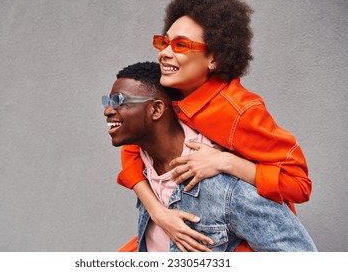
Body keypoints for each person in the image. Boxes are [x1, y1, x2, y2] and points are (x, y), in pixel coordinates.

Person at [117, 0, 312, 252]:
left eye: (181, 45)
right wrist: (158, 213)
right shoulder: (167, 92)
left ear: (214, 58)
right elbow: (132, 151)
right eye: (163, 42)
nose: (164, 53)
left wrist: (226, 162)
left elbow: (299, 184)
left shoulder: (240, 111)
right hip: (167, 229)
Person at [103, 61, 317, 252]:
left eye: (119, 100)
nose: (107, 111)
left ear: (156, 109)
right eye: (107, 101)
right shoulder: (144, 156)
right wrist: (158, 213)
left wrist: (228, 161)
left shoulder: (226, 186)